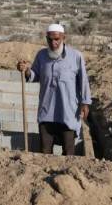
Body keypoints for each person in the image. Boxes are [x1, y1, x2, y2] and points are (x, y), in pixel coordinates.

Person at [17, 24, 92, 155]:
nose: (53, 43)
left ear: (64, 38)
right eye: (50, 40)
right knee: (45, 151)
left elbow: (83, 81)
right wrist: (26, 71)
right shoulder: (41, 56)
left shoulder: (76, 57)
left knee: (69, 152)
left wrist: (85, 103)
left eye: (57, 39)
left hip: (68, 112)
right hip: (47, 112)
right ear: (46, 39)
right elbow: (35, 75)